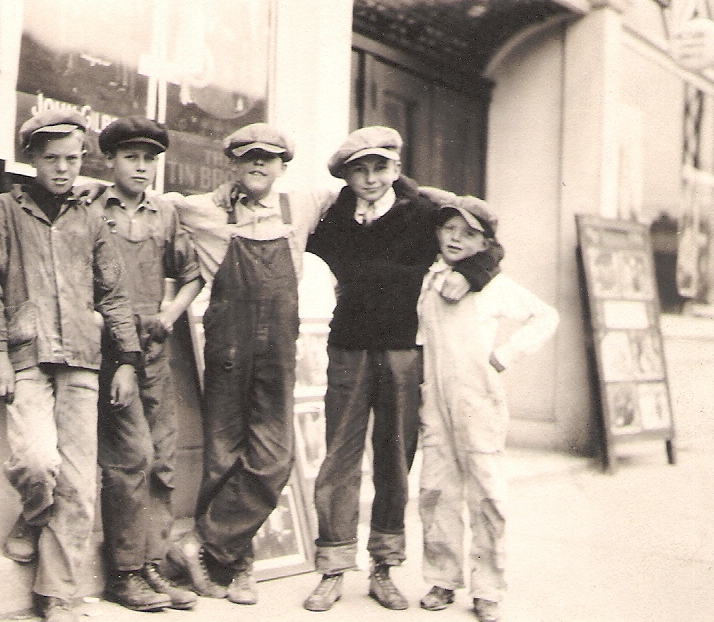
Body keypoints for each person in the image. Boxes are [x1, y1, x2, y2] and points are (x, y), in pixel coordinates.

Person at [302, 126, 503, 613]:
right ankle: (332, 568)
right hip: (348, 347)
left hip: (403, 351)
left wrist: (470, 274)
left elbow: (487, 241)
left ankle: (384, 568)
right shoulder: (334, 218)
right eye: (359, 170)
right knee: (339, 458)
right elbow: (303, 248)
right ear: (346, 175)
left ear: (396, 168)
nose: (370, 179)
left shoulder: (427, 211)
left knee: (394, 458)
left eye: (379, 168)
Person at [0, 109, 141, 622]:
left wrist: (126, 359)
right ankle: (33, 512)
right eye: (51, 159)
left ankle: (58, 594)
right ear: (32, 159)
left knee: (81, 483)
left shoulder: (90, 218)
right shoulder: (6, 210)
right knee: (36, 461)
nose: (63, 169)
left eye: (72, 158)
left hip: (83, 360)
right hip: (25, 357)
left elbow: (114, 293)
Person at [164, 123, 336, 606]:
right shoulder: (203, 209)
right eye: (249, 158)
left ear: (283, 166)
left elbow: (369, 184)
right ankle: (236, 566)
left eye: (268, 158)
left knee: (274, 456)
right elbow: (150, 201)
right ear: (233, 164)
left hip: (278, 345)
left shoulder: (300, 205)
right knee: (223, 452)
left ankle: (203, 545)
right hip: (228, 344)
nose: (259, 165)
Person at [415, 195, 559, 622]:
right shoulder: (428, 277)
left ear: (484, 243)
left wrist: (506, 354)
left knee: (487, 495)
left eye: (469, 233)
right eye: (449, 229)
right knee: (436, 489)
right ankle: (442, 577)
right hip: (435, 401)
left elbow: (545, 316)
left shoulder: (492, 285)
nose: (456, 239)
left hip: (479, 401)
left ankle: (488, 588)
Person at [89, 116, 204, 613]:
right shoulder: (92, 208)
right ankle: (123, 570)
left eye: (149, 159)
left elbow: (193, 274)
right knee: (128, 456)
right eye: (131, 157)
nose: (141, 167)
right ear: (110, 160)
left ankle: (152, 562)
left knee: (161, 455)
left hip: (156, 345)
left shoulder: (165, 213)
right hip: (111, 345)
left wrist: (170, 312)